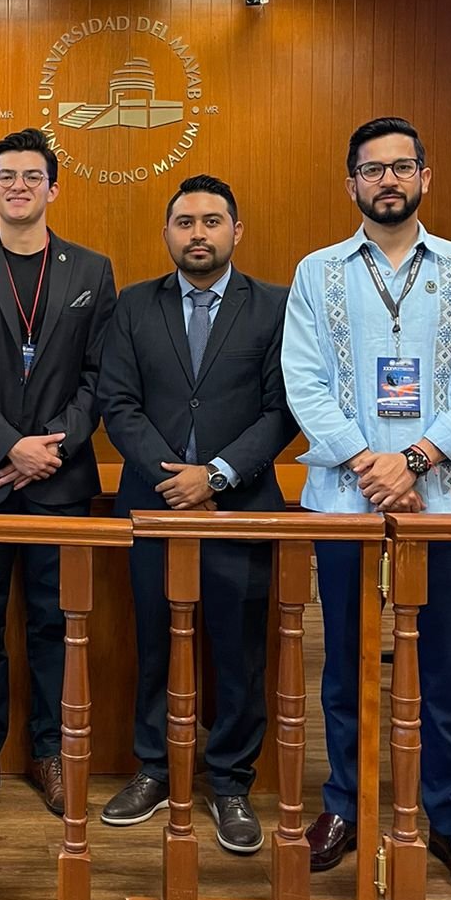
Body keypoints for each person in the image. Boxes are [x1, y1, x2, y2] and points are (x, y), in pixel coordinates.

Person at [283, 116, 451, 900]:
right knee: (344, 664)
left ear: (424, 177)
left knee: (446, 668)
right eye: (373, 169)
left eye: (402, 167)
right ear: (351, 183)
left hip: (443, 505)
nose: (388, 180)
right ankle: (345, 806)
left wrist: (412, 460)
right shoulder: (318, 272)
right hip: (345, 503)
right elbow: (304, 380)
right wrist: (369, 465)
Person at [97, 174, 296, 852]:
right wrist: (174, 480)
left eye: (212, 221)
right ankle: (154, 769)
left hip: (241, 508)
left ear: (236, 231)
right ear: (167, 234)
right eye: (185, 223)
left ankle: (231, 782)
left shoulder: (274, 306)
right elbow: (118, 404)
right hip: (153, 508)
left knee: (238, 652)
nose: (199, 234)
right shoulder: (133, 305)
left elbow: (282, 410)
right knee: (153, 643)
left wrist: (214, 476)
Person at [0, 128, 116, 819]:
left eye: (32, 176)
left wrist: (49, 449)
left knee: (55, 624)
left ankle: (50, 753)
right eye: (6, 176)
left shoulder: (92, 271)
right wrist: (10, 447)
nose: (18, 186)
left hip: (60, 483)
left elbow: (100, 376)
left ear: (52, 188)